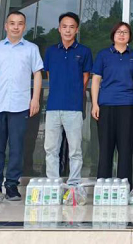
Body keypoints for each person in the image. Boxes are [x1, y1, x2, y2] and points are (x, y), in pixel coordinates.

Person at [0, 11, 43, 201]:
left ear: (24, 27)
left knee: (17, 147)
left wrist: (35, 99)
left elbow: (38, 74)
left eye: (20, 23)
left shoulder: (31, 49)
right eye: (12, 23)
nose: (16, 27)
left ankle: (11, 185)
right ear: (6, 26)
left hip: (20, 104)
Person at [43, 12, 93, 185]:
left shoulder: (84, 51)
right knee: (51, 148)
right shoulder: (51, 51)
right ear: (59, 29)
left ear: (77, 30)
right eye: (64, 26)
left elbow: (85, 77)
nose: (68, 30)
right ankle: (53, 184)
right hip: (53, 106)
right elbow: (49, 75)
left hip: (74, 107)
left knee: (75, 150)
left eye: (72, 27)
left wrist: (75, 93)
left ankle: (73, 185)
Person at [91, 21, 133, 185]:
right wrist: (95, 104)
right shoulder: (103, 55)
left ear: (129, 36)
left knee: (125, 148)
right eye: (118, 31)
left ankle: (124, 186)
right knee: (106, 147)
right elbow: (96, 80)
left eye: (125, 32)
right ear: (113, 35)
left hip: (127, 105)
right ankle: (103, 186)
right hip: (106, 105)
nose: (122, 34)